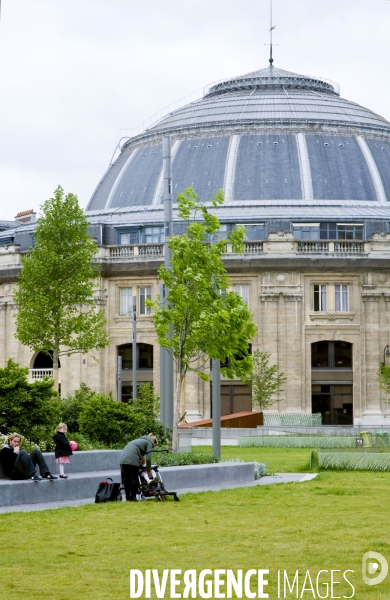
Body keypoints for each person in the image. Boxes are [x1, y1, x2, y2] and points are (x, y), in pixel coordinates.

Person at [120, 433, 158, 501]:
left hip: (123, 459)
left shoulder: (138, 440)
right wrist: (149, 470)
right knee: (134, 477)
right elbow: (148, 459)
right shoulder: (149, 442)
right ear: (154, 442)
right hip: (132, 460)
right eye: (153, 447)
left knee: (127, 478)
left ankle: (128, 498)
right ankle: (133, 497)